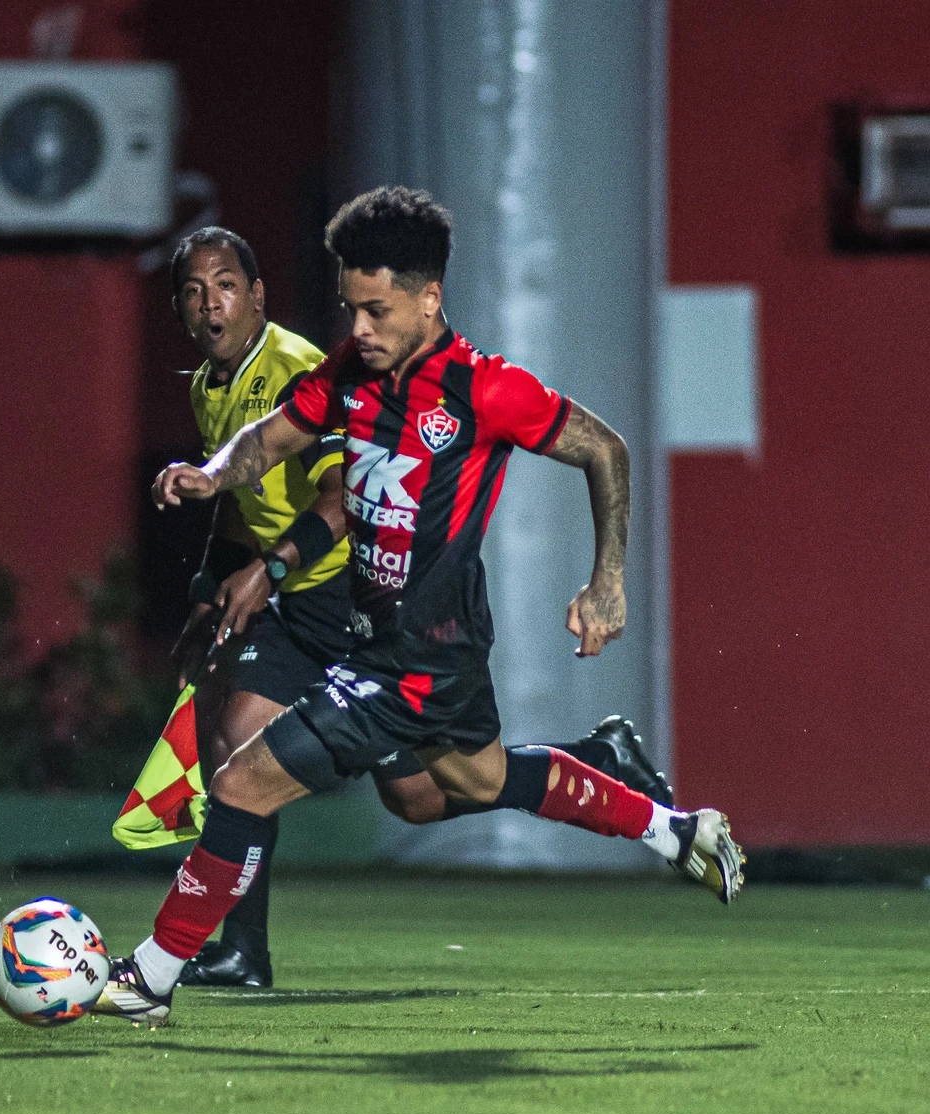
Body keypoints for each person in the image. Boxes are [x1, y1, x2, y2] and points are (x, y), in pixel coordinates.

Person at [95, 186, 742, 1027]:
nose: (358, 328)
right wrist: (213, 475)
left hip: (415, 657)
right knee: (477, 780)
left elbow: (603, 449)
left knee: (242, 781)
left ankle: (149, 978)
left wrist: (607, 579)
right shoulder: (347, 375)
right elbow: (269, 440)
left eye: (376, 310)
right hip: (413, 647)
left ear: (429, 299)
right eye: (349, 309)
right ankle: (675, 830)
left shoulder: (484, 388)